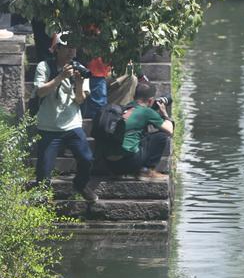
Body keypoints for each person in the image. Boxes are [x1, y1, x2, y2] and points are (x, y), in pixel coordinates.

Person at [33, 32, 97, 202]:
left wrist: (79, 83)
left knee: (87, 159)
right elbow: (40, 92)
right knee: (44, 170)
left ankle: (81, 185)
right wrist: (60, 77)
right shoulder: (44, 66)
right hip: (48, 126)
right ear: (57, 49)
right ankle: (40, 203)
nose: (71, 51)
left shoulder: (80, 68)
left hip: (72, 125)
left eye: (73, 48)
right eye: (67, 47)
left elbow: (80, 99)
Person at [104, 82, 172, 178]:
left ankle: (122, 173)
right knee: (161, 136)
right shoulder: (146, 111)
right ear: (150, 100)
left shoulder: (123, 108)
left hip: (109, 165)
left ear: (134, 96)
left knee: (138, 135)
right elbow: (169, 130)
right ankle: (146, 170)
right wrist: (164, 114)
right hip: (129, 163)